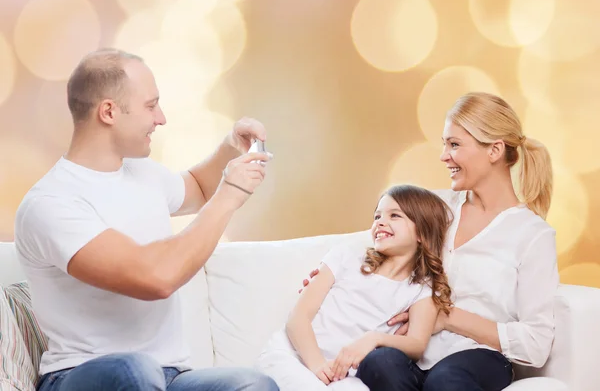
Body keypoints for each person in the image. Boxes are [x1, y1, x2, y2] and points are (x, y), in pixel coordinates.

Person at [14, 48, 279, 391]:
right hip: (82, 375)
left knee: (253, 385)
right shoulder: (50, 204)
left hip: (168, 377)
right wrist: (229, 197)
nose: (161, 118)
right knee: (134, 371)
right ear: (108, 111)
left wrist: (231, 147)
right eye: (150, 106)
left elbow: (198, 186)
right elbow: (156, 278)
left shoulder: (142, 173)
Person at [301, 92, 559, 391]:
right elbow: (379, 240)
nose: (443, 155)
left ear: (494, 150)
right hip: (411, 346)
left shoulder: (532, 234)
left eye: (455, 144)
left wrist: (445, 316)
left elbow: (536, 344)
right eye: (444, 144)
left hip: (478, 356)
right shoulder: (436, 207)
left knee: (446, 382)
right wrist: (332, 275)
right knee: (378, 363)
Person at [256, 184, 454, 391]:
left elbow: (416, 344)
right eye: (377, 217)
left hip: (342, 376)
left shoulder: (422, 289)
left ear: (422, 232)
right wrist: (317, 366)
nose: (381, 223)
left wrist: (374, 339)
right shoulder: (347, 257)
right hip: (294, 357)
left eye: (394, 215)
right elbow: (298, 318)